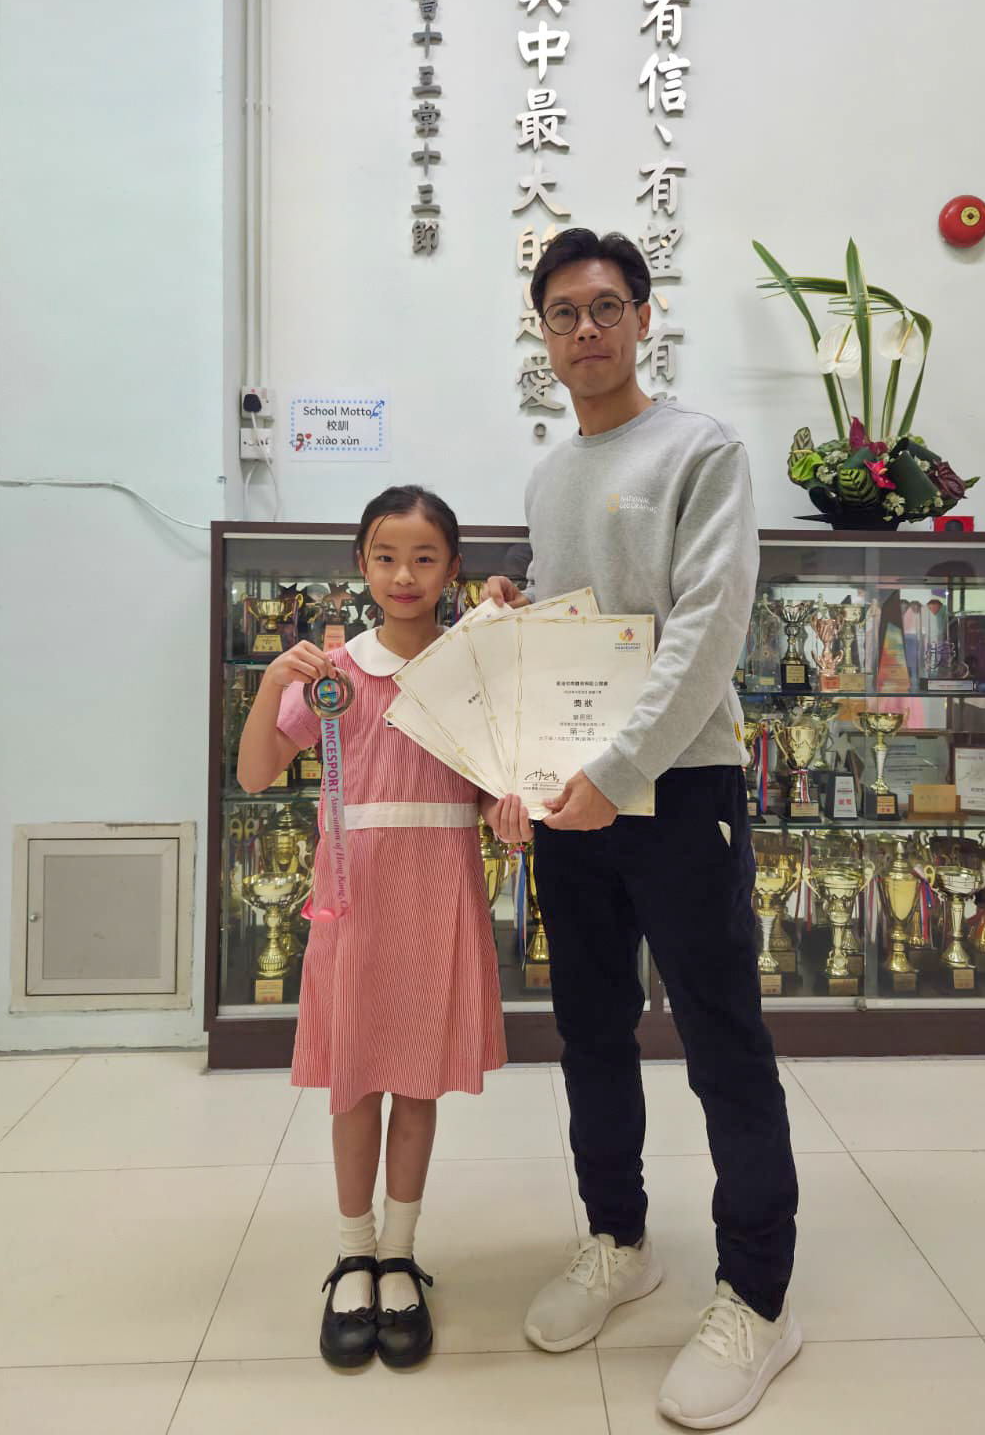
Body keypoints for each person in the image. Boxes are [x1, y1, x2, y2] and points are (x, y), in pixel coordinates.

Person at [486, 229, 801, 1429]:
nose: (585, 330)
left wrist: (619, 771)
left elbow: (708, 629)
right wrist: (517, 603)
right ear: (543, 333)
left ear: (643, 317)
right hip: (576, 797)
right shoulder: (551, 473)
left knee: (723, 1039)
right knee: (590, 1029)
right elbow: (587, 620)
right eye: (563, 312)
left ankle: (759, 1295)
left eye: (605, 306)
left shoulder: (701, 449)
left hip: (681, 789)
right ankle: (619, 1237)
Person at [237, 484, 525, 1371]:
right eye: (387, 557)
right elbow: (255, 774)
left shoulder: (469, 668)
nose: (405, 575)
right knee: (356, 1081)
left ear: (453, 569)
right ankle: (353, 1253)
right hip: (355, 892)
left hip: (440, 888)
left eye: (424, 558)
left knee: (417, 1081)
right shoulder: (333, 673)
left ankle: (400, 1255)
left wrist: (512, 811)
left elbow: (493, 790)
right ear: (361, 565)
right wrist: (270, 686)